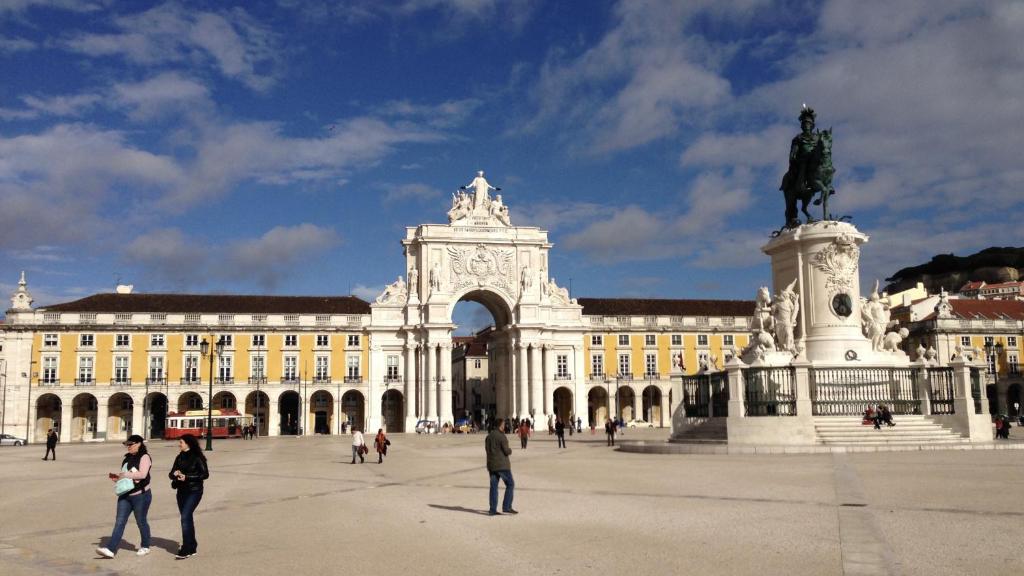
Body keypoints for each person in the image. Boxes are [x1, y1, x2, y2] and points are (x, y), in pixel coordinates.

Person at [96, 435, 152, 559]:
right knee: (119, 522)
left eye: (130, 444)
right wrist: (118, 478)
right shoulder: (126, 458)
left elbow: (142, 474)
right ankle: (111, 549)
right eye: (127, 444)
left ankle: (145, 545)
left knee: (141, 521)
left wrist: (126, 474)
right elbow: (125, 475)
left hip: (141, 495)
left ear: (139, 444)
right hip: (125, 495)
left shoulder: (145, 457)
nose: (128, 447)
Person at [169, 434, 209, 560]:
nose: (179, 444)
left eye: (181, 442)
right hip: (181, 491)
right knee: (187, 518)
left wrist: (187, 477)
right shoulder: (179, 457)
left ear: (188, 443)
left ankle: (186, 548)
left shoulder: (197, 457)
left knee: (185, 517)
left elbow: (205, 474)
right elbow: (171, 473)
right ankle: (192, 546)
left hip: (194, 491)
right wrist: (175, 474)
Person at [485, 418, 515, 516]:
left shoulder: (488, 437)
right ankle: (506, 507)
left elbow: (487, 451)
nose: (504, 426)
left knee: (493, 487)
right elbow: (506, 451)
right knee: (510, 484)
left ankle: (492, 509)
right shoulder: (502, 436)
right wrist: (510, 450)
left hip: (492, 465)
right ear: (500, 425)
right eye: (503, 424)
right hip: (502, 465)